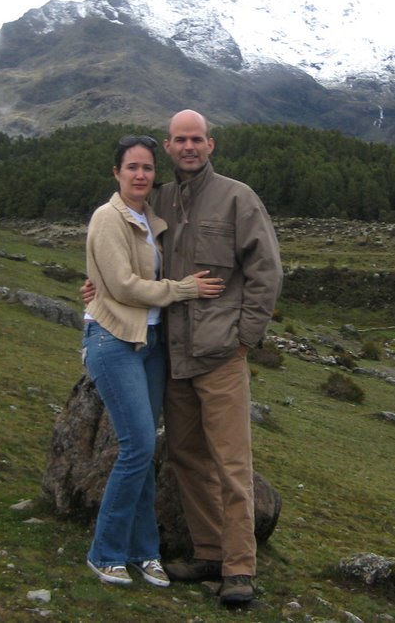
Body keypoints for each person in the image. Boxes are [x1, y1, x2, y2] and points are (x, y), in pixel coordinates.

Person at [83, 111, 282, 605]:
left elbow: (266, 271)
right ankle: (209, 551)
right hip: (170, 357)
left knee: (232, 464)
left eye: (197, 139)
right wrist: (96, 289)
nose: (189, 147)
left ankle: (238, 570)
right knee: (188, 457)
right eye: (180, 140)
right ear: (169, 148)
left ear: (210, 144)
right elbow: (124, 258)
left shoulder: (239, 197)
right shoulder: (160, 201)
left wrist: (245, 337)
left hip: (220, 355)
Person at [82, 134, 225, 588]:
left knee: (142, 453)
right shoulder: (108, 218)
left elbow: (131, 276)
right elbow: (123, 286)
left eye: (147, 168)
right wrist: (183, 289)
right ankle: (105, 551)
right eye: (132, 168)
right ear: (116, 173)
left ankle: (145, 552)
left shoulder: (150, 219)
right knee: (139, 446)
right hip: (113, 340)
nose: (141, 175)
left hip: (150, 341)